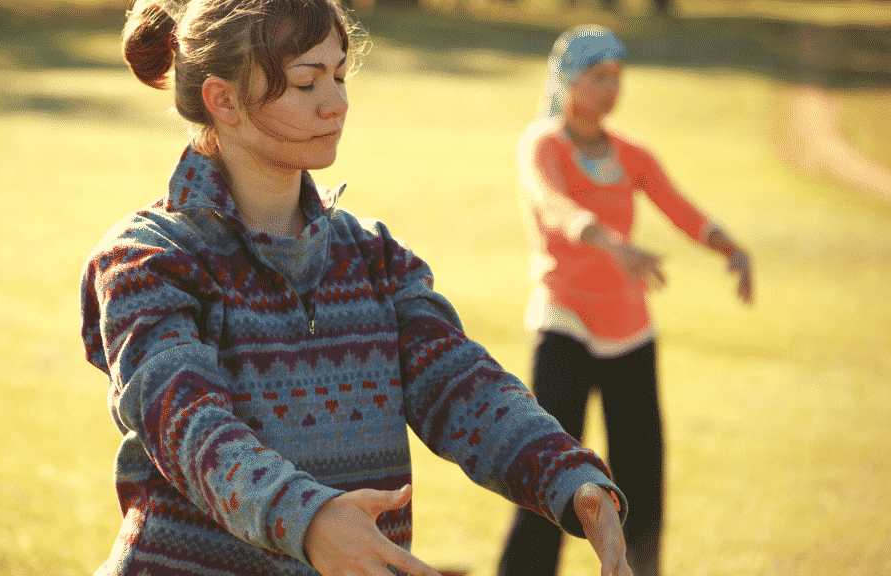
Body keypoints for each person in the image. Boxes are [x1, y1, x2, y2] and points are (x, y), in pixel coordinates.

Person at [80, 2, 634, 576]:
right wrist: (310, 519)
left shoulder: (372, 257)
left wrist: (569, 476)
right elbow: (188, 426)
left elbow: (464, 387)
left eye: (340, 75)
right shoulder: (148, 260)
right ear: (223, 101)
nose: (336, 102)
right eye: (305, 82)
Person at [496, 25, 753, 576]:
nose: (612, 88)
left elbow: (678, 206)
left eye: (617, 76)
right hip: (564, 320)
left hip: (630, 329)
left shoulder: (631, 153)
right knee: (549, 469)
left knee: (640, 476)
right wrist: (614, 245)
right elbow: (552, 205)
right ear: (568, 82)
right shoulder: (542, 144)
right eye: (598, 77)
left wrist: (728, 246)